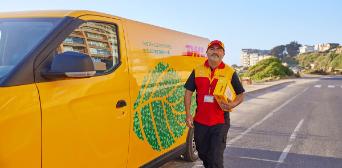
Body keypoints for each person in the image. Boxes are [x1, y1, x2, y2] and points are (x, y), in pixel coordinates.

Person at [184, 40, 245, 168]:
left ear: (223, 54)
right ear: (207, 52)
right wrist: (188, 114)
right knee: (203, 153)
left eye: (218, 49)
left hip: (220, 122)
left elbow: (240, 95)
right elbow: (188, 92)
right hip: (200, 121)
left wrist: (232, 105)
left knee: (215, 157)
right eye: (212, 49)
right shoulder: (197, 70)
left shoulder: (230, 72)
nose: (215, 51)